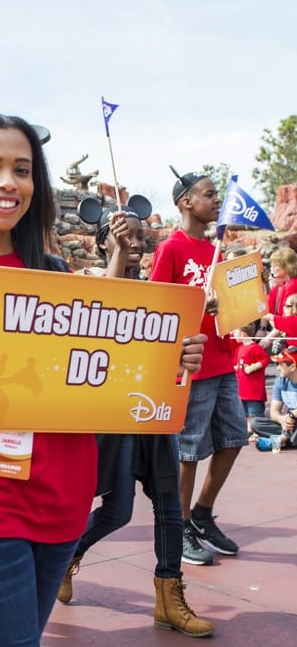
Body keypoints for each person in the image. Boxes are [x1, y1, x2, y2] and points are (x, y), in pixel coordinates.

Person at [0, 114, 207, 647]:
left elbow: (118, 379)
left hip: (65, 508)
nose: (8, 182)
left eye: (23, 169)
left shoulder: (60, 281)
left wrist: (173, 358)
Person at [57, 203, 213, 637]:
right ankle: (69, 553)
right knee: (118, 511)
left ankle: (169, 596)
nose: (135, 244)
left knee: (168, 505)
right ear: (103, 240)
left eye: (141, 238)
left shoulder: (156, 291)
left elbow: (175, 353)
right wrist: (117, 255)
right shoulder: (87, 282)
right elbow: (102, 315)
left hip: (153, 410)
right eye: (125, 235)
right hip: (111, 416)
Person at [149, 168, 248, 565]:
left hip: (223, 359)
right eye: (208, 194)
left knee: (234, 438)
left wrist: (234, 303)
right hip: (191, 364)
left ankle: (203, 513)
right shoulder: (170, 248)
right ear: (186, 202)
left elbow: (229, 306)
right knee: (188, 452)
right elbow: (157, 306)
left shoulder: (215, 251)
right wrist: (195, 305)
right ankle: (181, 525)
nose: (215, 202)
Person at [254, 345, 297, 450]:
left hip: (293, 421)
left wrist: (291, 417)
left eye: (280, 364)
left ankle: (281, 440)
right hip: (290, 425)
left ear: (292, 367)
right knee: (256, 423)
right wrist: (282, 419)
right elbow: (274, 412)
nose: (277, 368)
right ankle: (290, 440)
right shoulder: (280, 381)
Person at [233, 321, 271, 438]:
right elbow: (235, 363)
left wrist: (253, 367)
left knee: (255, 412)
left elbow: (265, 359)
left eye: (235, 332)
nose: (233, 334)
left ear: (243, 334)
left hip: (253, 388)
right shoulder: (239, 348)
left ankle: (257, 431)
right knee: (244, 412)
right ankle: (249, 430)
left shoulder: (254, 347)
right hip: (242, 388)